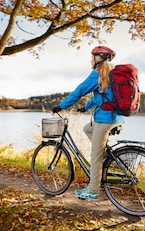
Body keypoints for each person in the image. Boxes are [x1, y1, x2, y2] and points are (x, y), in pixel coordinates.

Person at [52, 46, 125, 200]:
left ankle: (93, 191)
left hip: (105, 119)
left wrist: (62, 106)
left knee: (95, 156)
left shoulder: (98, 73)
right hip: (116, 117)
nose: (90, 60)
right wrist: (85, 107)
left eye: (92, 57)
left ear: (98, 58)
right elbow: (101, 96)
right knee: (88, 128)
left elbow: (80, 91)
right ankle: (107, 158)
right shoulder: (109, 73)